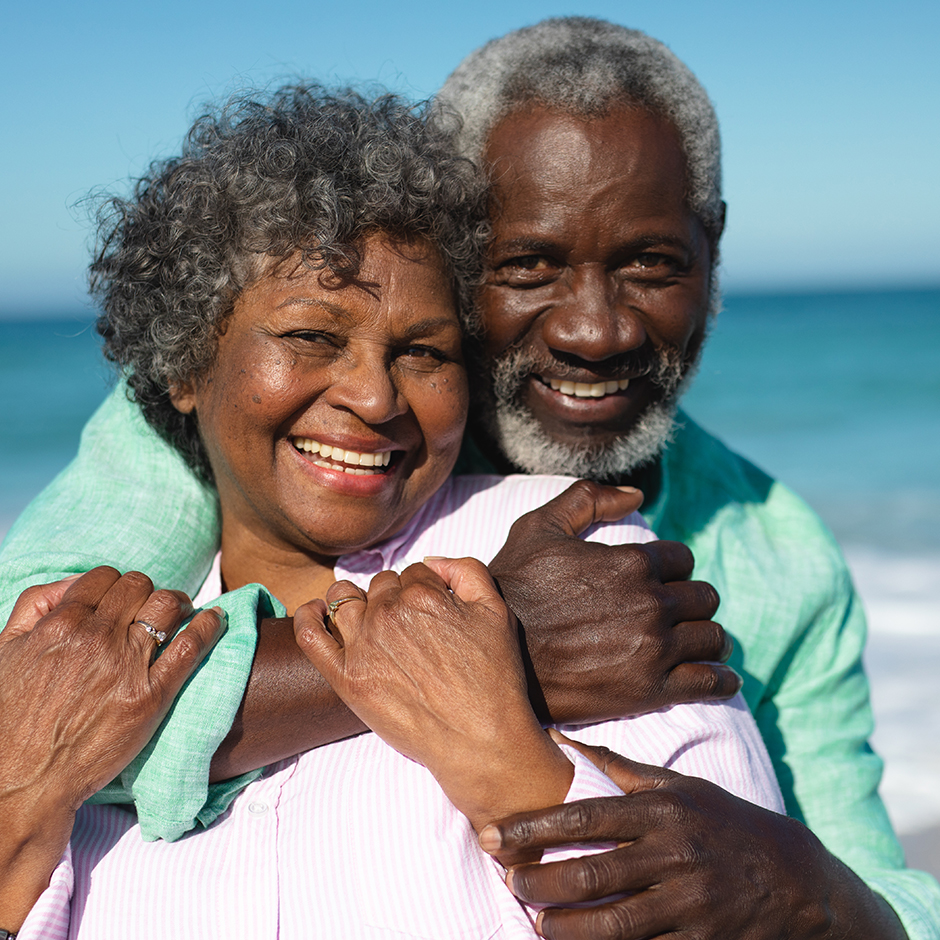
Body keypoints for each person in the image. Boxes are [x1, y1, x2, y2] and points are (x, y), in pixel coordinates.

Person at [1, 16, 938, 940]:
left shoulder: (771, 551)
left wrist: (823, 898)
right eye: (527, 265)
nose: (594, 331)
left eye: (652, 264)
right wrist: (496, 641)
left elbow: (860, 879)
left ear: (713, 253)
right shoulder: (189, 437)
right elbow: (39, 702)